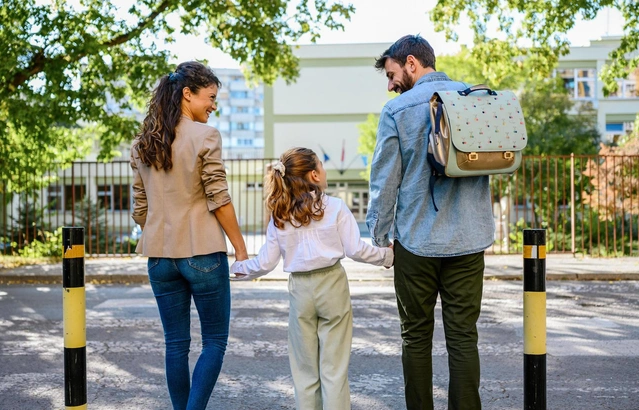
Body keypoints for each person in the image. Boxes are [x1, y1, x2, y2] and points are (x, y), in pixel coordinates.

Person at [366, 35, 495, 410]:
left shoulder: (398, 111)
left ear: (411, 63)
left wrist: (381, 234)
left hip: (416, 244)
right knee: (463, 339)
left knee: (416, 338)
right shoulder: (476, 99)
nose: (390, 85)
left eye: (391, 75)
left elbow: (384, 180)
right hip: (469, 241)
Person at [230, 147, 394, 410]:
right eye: (322, 166)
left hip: (300, 290)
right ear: (315, 175)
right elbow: (355, 250)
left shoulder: (279, 216)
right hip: (332, 284)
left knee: (304, 371)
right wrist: (387, 256)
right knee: (334, 369)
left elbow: (265, 263)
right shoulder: (336, 207)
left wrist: (236, 268)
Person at [130, 61, 248, 410]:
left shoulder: (142, 144)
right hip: (203, 255)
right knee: (214, 342)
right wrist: (240, 249)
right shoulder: (205, 136)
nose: (214, 105)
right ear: (187, 94)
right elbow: (219, 198)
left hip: (160, 260)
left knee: (175, 344)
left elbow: (140, 209)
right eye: (210, 97)